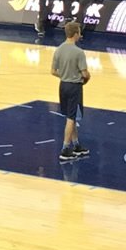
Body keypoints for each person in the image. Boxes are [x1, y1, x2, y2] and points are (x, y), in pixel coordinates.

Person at [53, 21, 90, 159]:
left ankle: (76, 145)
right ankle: (65, 149)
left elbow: (53, 71)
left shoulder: (59, 49)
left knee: (71, 116)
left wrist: (65, 75)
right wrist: (85, 78)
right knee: (71, 117)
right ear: (76, 34)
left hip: (63, 85)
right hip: (74, 86)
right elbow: (85, 74)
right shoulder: (79, 52)